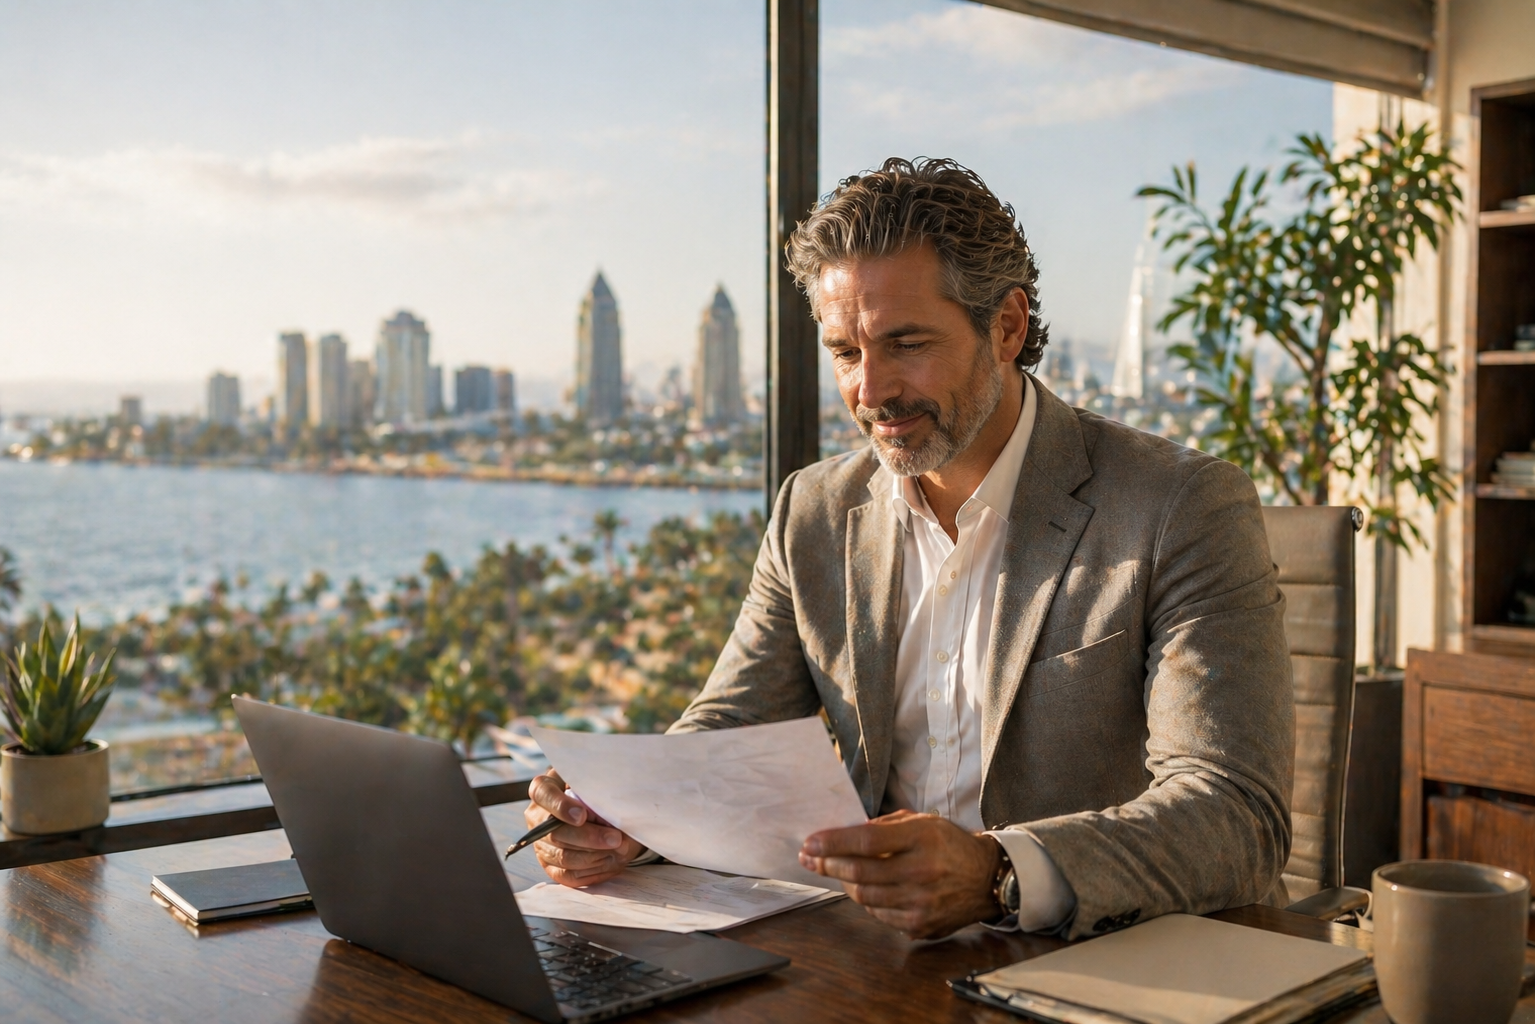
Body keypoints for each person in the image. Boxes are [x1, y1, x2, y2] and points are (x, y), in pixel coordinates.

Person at [525, 157, 1294, 941]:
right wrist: (627, 815)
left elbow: (1234, 813)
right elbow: (732, 726)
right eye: (848, 353)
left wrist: (998, 873)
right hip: (869, 960)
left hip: (1093, 961)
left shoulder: (1178, 506)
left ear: (1006, 327)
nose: (872, 391)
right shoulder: (814, 512)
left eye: (907, 344)